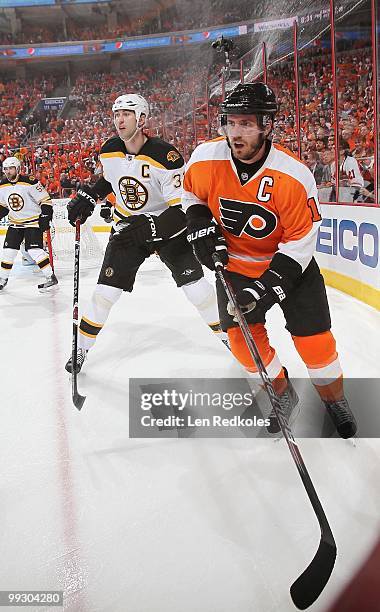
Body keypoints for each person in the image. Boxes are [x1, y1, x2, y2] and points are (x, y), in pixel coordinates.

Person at [183, 82, 357, 438]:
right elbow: (189, 193)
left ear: (267, 125)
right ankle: (282, 393)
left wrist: (268, 286)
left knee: (316, 344)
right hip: (234, 269)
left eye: (247, 124)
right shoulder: (205, 158)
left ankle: (334, 398)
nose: (237, 132)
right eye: (231, 122)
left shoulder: (293, 176)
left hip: (290, 269)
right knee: (244, 346)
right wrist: (199, 222)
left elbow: (300, 242)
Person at [65, 93, 228, 373]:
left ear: (142, 119)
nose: (119, 120)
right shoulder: (109, 149)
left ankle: (227, 337)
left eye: (126, 114)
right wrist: (91, 195)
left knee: (198, 290)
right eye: (116, 114)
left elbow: (182, 209)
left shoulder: (166, 156)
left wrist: (152, 226)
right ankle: (80, 348)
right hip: (128, 229)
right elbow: (110, 179)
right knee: (105, 294)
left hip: (168, 229)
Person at [0, 156, 58, 291]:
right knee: (8, 252)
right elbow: (3, 206)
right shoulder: (2, 185)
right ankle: (3, 279)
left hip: (32, 222)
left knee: (34, 250)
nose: (8, 172)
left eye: (11, 168)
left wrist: (45, 216)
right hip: (15, 223)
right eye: (6, 169)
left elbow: (45, 200)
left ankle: (50, 277)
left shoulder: (30, 182)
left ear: (18, 169)